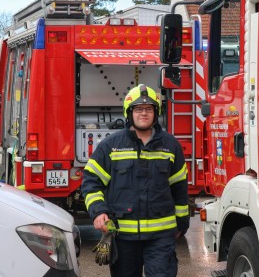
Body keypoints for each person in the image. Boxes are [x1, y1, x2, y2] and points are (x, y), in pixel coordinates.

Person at [81, 84, 189, 277]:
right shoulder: (111, 147)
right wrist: (98, 212)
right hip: (123, 238)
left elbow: (179, 188)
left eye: (149, 109)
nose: (144, 114)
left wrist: (182, 224)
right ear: (129, 113)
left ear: (156, 113)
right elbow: (91, 182)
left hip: (161, 237)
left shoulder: (171, 146)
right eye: (138, 109)